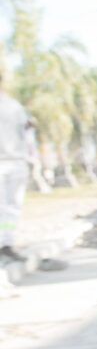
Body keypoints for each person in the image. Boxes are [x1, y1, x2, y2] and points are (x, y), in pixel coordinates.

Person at [0, 74, 30, 264]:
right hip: (9, 162)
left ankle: (6, 244)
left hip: (15, 162)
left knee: (10, 208)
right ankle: (5, 243)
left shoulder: (13, 106)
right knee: (6, 208)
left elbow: (26, 131)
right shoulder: (13, 106)